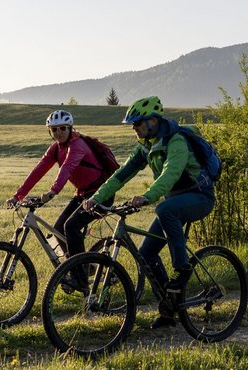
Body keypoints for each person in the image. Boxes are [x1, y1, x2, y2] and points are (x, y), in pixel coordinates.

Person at [82, 96, 215, 329]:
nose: (134, 128)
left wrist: (146, 197)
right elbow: (121, 175)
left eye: (137, 123)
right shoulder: (145, 147)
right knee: (146, 254)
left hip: (199, 196)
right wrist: (96, 198)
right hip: (175, 202)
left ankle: (182, 270)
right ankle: (169, 307)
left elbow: (170, 174)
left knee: (163, 208)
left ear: (153, 121)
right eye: (132, 124)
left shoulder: (176, 141)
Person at [6, 110, 114, 291]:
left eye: (63, 128)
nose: (58, 133)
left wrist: (52, 191)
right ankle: (83, 267)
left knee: (71, 227)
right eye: (54, 129)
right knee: (58, 230)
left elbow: (67, 168)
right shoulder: (56, 148)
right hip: (81, 194)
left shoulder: (77, 144)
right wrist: (19, 195)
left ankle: (79, 279)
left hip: (100, 194)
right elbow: (38, 170)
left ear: (70, 128)